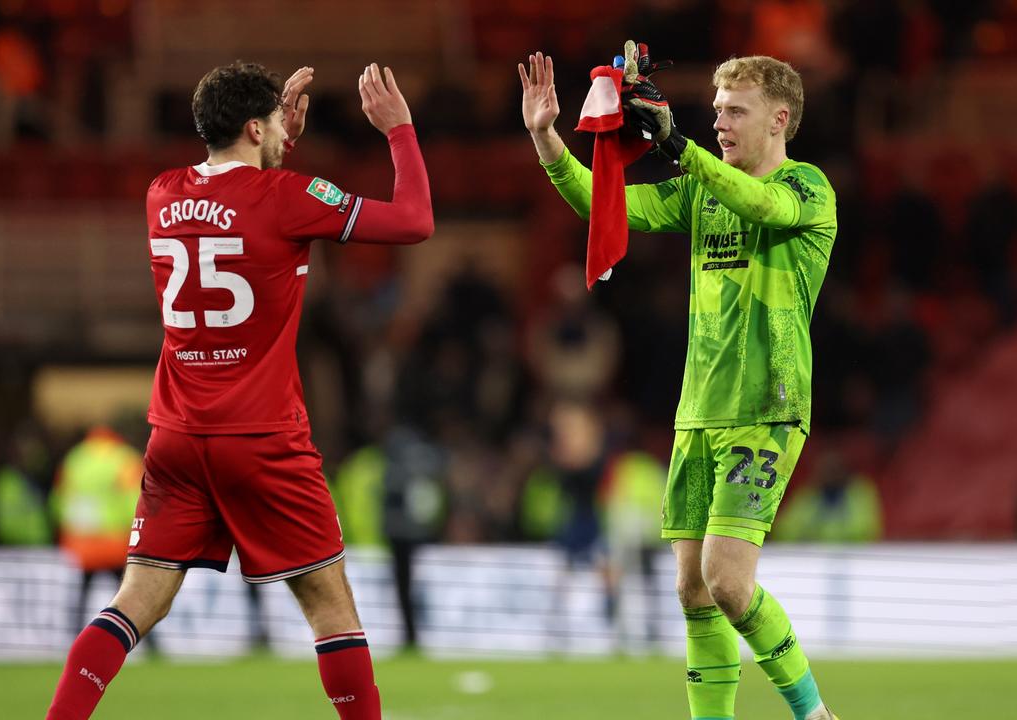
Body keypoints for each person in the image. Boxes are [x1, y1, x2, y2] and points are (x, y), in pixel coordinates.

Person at [45, 60, 432, 719]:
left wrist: (278, 149)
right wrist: (398, 131)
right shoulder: (289, 196)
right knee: (328, 603)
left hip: (175, 437)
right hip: (261, 438)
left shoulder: (161, 193)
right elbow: (414, 220)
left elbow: (240, 208)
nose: (286, 131)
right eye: (277, 123)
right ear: (256, 127)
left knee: (137, 600)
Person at [520, 46, 839, 720]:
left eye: (736, 110)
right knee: (693, 593)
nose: (720, 121)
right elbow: (601, 203)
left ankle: (814, 714)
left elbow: (762, 206)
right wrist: (545, 136)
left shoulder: (808, 190)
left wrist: (678, 144)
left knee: (727, 583)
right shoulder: (700, 189)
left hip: (767, 408)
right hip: (698, 412)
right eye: (716, 109)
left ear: (779, 119)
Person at [48, 426, 143, 635]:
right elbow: (136, 502)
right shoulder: (123, 458)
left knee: (83, 593)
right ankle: (147, 639)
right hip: (114, 542)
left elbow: (58, 501)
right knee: (129, 595)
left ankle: (73, 634)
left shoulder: (75, 459)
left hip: (82, 542)